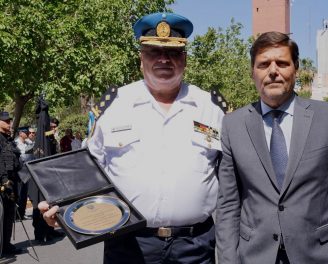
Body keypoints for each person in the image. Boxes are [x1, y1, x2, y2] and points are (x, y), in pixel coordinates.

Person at [39, 12, 224, 264]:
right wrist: (62, 210)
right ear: (141, 59)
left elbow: (229, 173)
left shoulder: (211, 107)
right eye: (153, 52)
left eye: (172, 52)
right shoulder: (113, 105)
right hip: (128, 244)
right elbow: (90, 170)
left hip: (195, 245)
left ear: (185, 59)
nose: (163, 59)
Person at [216, 32, 328, 264]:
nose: (272, 71)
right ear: (252, 72)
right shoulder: (233, 125)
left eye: (282, 63)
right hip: (255, 256)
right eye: (263, 64)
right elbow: (228, 204)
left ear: (296, 69)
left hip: (320, 255)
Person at [0, 112, 23, 255]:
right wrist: (3, 180)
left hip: (11, 182)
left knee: (9, 216)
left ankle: (6, 245)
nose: (9, 124)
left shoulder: (8, 139)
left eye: (9, 121)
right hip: (2, 184)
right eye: (5, 121)